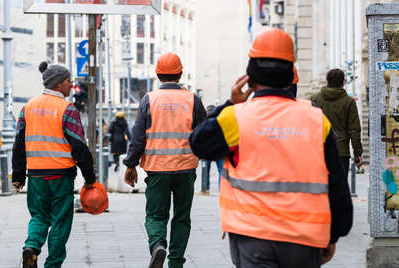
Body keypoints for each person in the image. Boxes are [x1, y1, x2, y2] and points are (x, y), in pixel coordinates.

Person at [189, 28, 353, 268]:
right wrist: (333, 235)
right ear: (290, 76)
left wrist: (229, 103)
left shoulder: (235, 118)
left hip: (252, 238)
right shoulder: (316, 121)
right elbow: (337, 183)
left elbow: (197, 143)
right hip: (304, 240)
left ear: (250, 76)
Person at [123, 53, 206, 268]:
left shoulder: (149, 100)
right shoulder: (192, 100)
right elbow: (204, 132)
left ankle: (158, 245)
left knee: (156, 215)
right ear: (180, 74)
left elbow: (138, 136)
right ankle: (176, 262)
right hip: (185, 170)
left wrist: (130, 165)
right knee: (181, 217)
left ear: (158, 75)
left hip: (157, 170)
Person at [12, 61, 96, 268]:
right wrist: (90, 178)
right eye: (69, 81)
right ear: (58, 83)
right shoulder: (67, 109)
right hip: (61, 175)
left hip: (36, 176)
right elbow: (79, 146)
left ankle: (31, 247)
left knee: (39, 216)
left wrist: (18, 176)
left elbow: (19, 144)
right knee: (60, 221)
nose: (71, 85)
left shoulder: (27, 108)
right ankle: (53, 264)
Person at [311, 68, 363, 177]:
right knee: (339, 189)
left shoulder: (315, 99)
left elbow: (309, 126)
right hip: (341, 152)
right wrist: (358, 153)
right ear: (343, 83)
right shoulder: (349, 102)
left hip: (319, 151)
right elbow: (354, 130)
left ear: (327, 81)